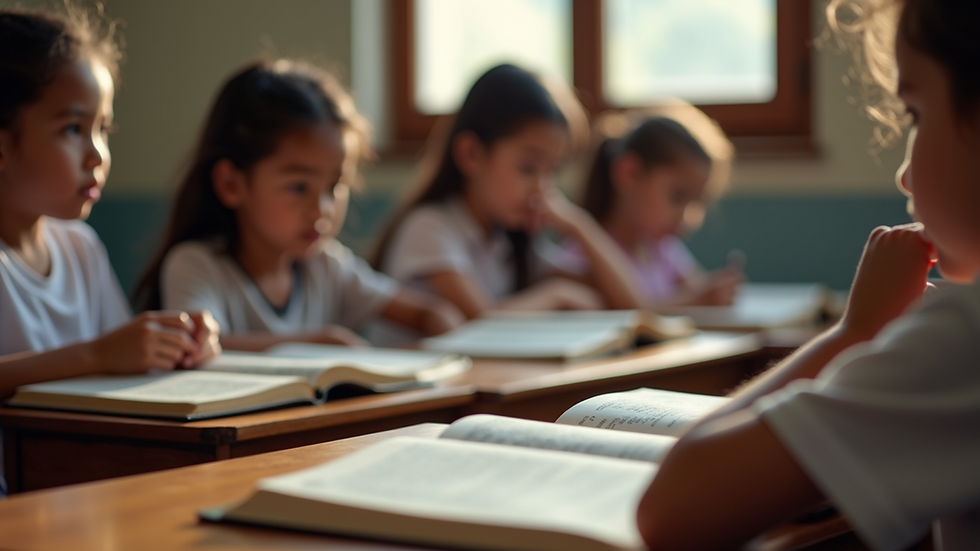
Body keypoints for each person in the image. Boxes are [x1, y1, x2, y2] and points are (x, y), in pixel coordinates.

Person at [635, 0, 980, 549]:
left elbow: (669, 509)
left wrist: (857, 331)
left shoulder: (965, 339)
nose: (904, 173)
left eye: (915, 114)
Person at [133, 59, 463, 351]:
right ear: (231, 184)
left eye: (335, 186)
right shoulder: (196, 265)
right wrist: (317, 343)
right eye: (298, 187)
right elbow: (198, 346)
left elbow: (433, 313)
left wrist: (433, 345)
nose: (321, 210)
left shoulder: (329, 267)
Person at [0, 7, 220, 401]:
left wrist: (177, 345)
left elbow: (120, 362)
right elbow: (102, 355)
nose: (98, 155)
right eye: (73, 129)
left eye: (103, 129)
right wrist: (96, 354)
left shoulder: (81, 247)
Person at [372, 64, 645, 326]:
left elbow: (630, 304)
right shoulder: (429, 228)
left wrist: (578, 225)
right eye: (528, 168)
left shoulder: (509, 239)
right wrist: (556, 296)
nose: (542, 188)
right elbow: (476, 324)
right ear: (472, 154)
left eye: (552, 172)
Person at [578, 105, 742, 307]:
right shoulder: (585, 254)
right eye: (677, 196)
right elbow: (634, 311)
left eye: (696, 203)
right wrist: (695, 300)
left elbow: (697, 286)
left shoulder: (662, 250)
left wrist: (715, 291)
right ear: (630, 174)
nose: (687, 219)